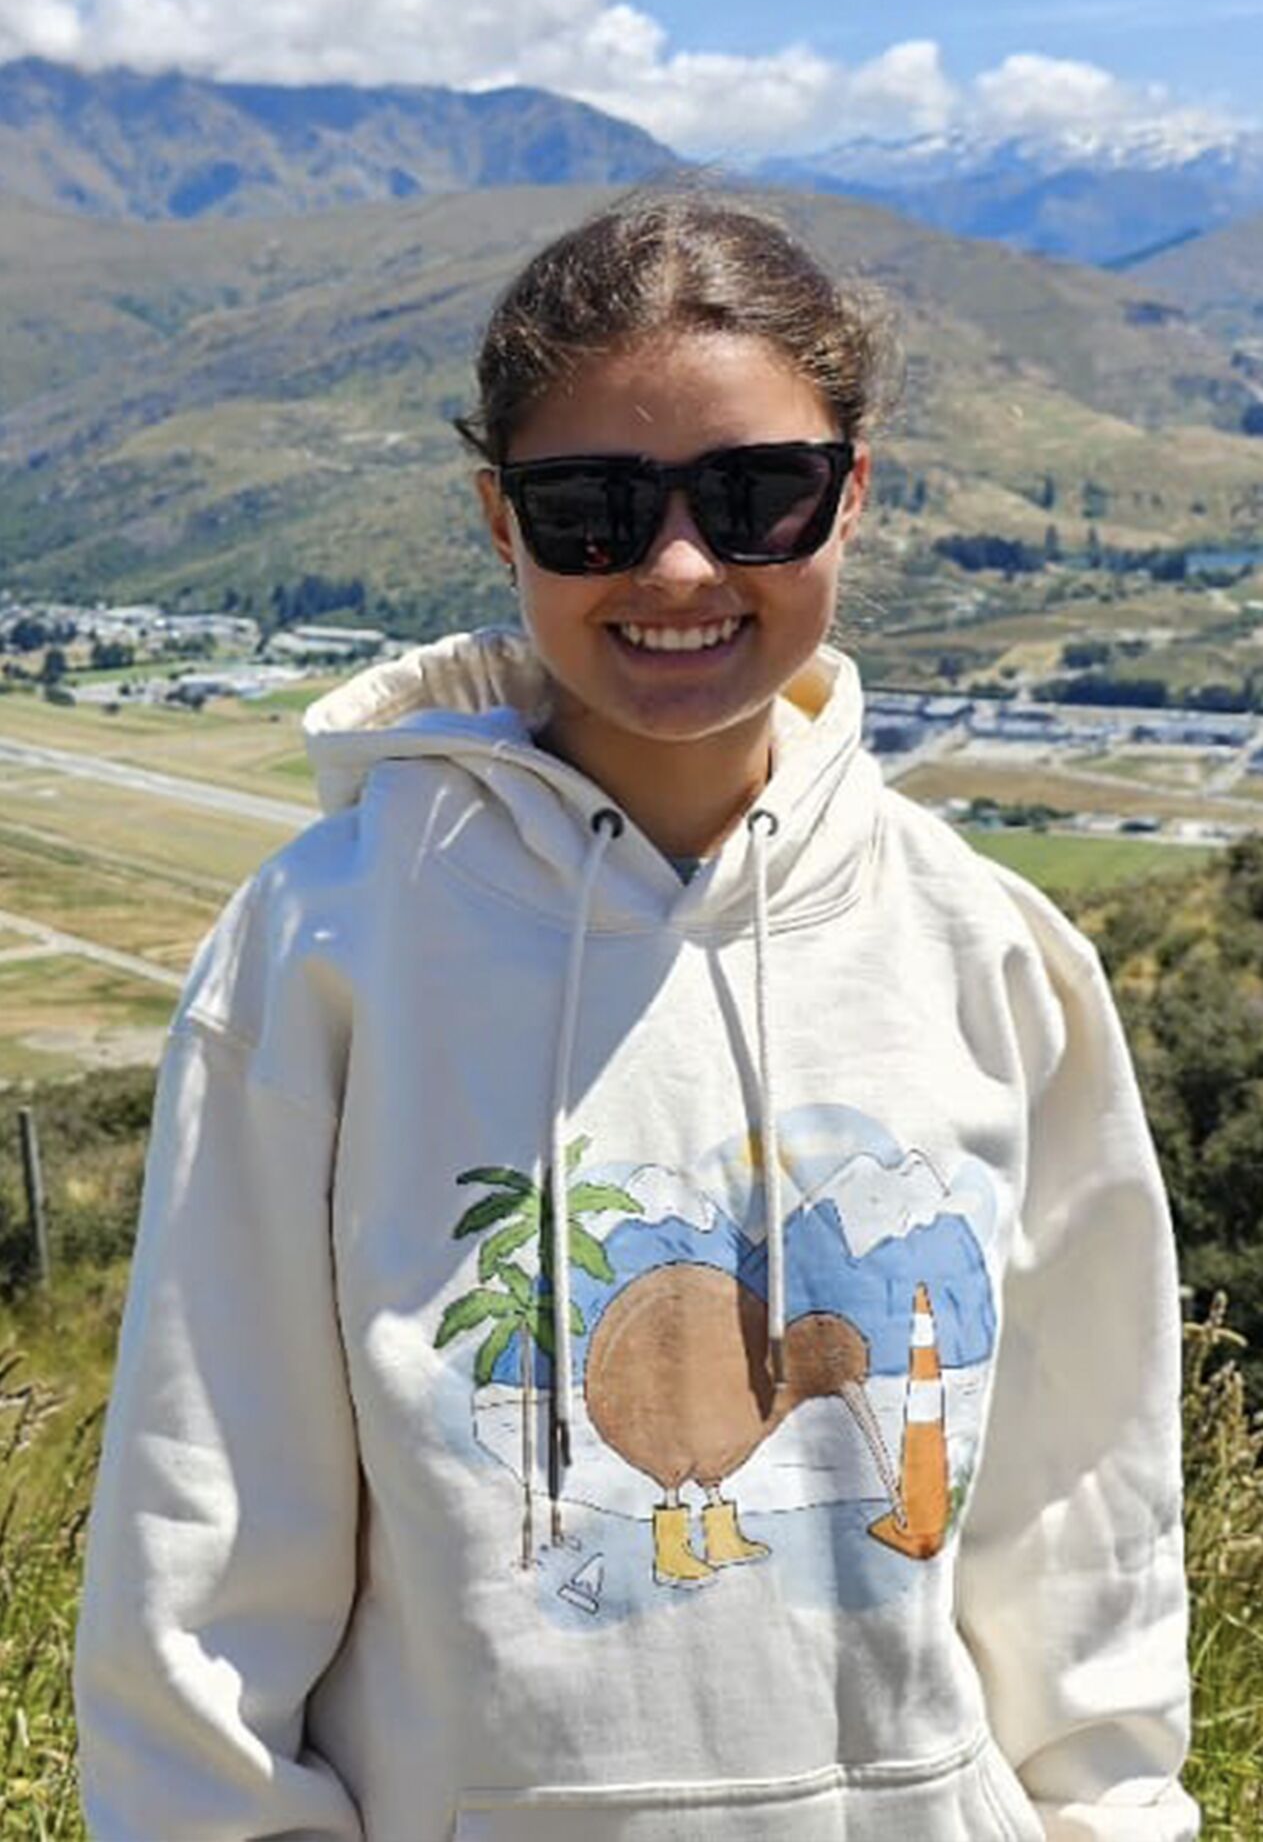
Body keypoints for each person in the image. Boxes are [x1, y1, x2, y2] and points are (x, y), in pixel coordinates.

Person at [75, 193, 1198, 1840]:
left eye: (757, 495)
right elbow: (206, 1537)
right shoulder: (327, 949)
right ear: (499, 518)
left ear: (851, 495)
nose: (679, 566)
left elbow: (1085, 1525)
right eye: (592, 508)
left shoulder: (995, 957)